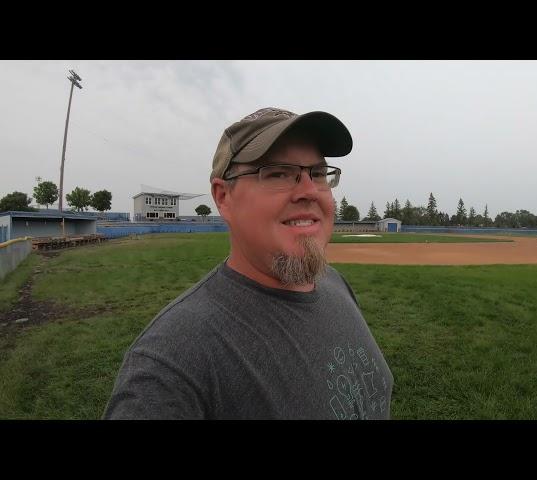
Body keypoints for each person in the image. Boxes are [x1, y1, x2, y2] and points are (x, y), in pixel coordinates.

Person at [103, 107, 393, 420]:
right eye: (278, 173)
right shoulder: (172, 363)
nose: (309, 191)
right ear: (224, 196)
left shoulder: (335, 284)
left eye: (318, 174)